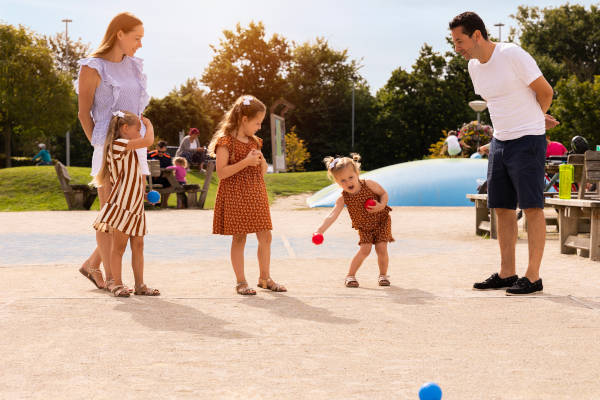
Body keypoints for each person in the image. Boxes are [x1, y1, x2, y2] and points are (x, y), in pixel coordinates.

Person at [450, 11, 559, 295]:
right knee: (502, 207)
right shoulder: (475, 66)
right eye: (454, 43)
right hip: (500, 142)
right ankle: (507, 273)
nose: (457, 48)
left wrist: (535, 119)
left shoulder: (511, 54)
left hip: (528, 140)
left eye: (460, 41)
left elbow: (545, 91)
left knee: (533, 207)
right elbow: (500, 100)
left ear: (477, 35)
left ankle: (533, 277)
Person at [76, 12, 150, 290]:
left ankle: (93, 265)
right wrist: (101, 147)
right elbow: (84, 114)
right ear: (120, 34)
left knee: (128, 213)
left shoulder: (134, 66)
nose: (140, 44)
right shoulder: (92, 68)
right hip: (108, 150)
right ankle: (112, 279)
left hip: (136, 148)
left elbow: (138, 110)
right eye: (137, 38)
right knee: (109, 215)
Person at [209, 95, 286, 295]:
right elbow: (222, 173)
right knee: (239, 238)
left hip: (255, 193)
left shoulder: (255, 142)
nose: (259, 127)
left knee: (265, 236)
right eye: (257, 122)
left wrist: (261, 163)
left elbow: (260, 173)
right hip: (235, 194)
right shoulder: (225, 142)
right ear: (244, 119)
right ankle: (241, 282)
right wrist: (245, 162)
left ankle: (265, 278)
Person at [92, 110, 159, 297]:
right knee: (119, 248)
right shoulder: (117, 145)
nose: (140, 134)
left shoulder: (127, 149)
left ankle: (140, 285)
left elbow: (131, 178)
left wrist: (143, 195)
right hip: (122, 205)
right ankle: (117, 284)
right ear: (125, 128)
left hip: (135, 205)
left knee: (138, 246)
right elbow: (148, 141)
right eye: (138, 130)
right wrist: (149, 124)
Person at [314, 154, 394, 288]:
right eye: (342, 181)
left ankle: (383, 275)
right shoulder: (343, 198)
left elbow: (383, 194)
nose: (348, 182)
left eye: (351, 177)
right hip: (364, 226)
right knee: (365, 249)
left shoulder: (368, 184)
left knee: (381, 247)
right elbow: (333, 214)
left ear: (357, 173)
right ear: (337, 182)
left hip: (381, 220)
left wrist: (381, 205)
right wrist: (320, 230)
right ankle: (350, 276)